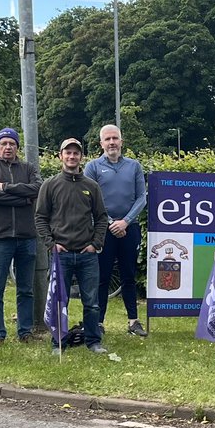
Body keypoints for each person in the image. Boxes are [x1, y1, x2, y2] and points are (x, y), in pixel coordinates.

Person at [34, 138, 109, 355]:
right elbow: (40, 217)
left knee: (92, 302)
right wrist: (51, 244)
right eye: (68, 153)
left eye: (76, 153)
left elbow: (101, 218)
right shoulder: (50, 185)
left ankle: (93, 341)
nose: (72, 157)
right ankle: (58, 342)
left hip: (87, 255)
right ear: (61, 156)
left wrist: (96, 244)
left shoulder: (91, 186)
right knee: (59, 300)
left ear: (81, 157)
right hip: (61, 255)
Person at [0, 127, 42, 345]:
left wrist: (7, 187)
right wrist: (24, 199)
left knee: (26, 288)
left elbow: (38, 189)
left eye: (12, 144)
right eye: (3, 143)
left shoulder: (28, 167)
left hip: (26, 236)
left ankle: (25, 331)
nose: (8, 147)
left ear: (17, 147)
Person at [84, 124, 148, 337]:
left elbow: (142, 197)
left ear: (121, 141)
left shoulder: (134, 166)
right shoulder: (92, 167)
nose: (112, 142)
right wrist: (111, 222)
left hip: (130, 229)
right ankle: (99, 323)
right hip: (103, 230)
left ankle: (133, 322)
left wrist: (126, 222)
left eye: (115, 138)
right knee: (102, 277)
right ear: (101, 143)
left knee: (129, 276)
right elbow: (90, 199)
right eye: (107, 139)